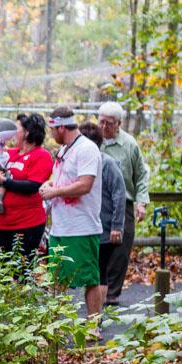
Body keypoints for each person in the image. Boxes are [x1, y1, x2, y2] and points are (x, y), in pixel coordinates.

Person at [39, 107, 104, 324]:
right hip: (60, 227)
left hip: (82, 227)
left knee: (89, 278)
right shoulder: (65, 150)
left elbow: (85, 185)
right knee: (56, 278)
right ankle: (55, 327)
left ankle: (94, 325)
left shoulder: (87, 149)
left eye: (53, 129)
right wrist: (52, 184)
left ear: (62, 127)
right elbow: (66, 179)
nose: (51, 134)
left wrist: (55, 191)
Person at [0, 113, 52, 263]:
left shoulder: (41, 155)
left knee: (21, 273)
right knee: (0, 272)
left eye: (16, 128)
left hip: (27, 224)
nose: (12, 133)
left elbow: (33, 187)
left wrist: (3, 181)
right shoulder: (7, 154)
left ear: (27, 132)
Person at [97, 101, 150, 305]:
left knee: (120, 247)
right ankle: (98, 288)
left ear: (119, 123)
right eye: (101, 122)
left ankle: (112, 292)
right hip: (98, 203)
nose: (104, 127)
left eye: (109, 123)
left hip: (124, 201)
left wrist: (141, 202)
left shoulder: (129, 144)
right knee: (99, 246)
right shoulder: (93, 142)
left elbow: (141, 175)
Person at [80, 122, 127, 305]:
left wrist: (117, 226)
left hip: (105, 227)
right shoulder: (79, 163)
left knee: (100, 270)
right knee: (93, 271)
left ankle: (96, 315)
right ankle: (95, 312)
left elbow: (119, 195)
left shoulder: (107, 163)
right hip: (86, 225)